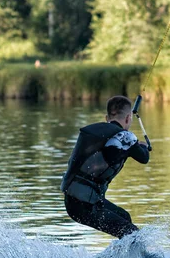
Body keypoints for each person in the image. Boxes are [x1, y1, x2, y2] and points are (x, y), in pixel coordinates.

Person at [61, 96, 150, 238]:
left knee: (124, 217)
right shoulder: (125, 137)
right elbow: (144, 158)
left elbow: (111, 152)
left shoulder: (99, 135)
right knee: (132, 233)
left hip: (74, 202)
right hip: (84, 205)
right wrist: (143, 146)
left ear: (106, 117)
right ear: (128, 118)